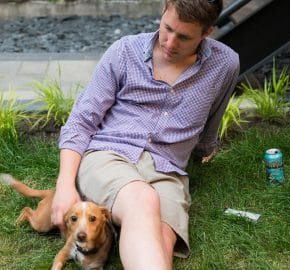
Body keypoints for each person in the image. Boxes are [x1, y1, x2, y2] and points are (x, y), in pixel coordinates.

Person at [51, 0, 239, 268]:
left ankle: (123, 231)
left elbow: (214, 115)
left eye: (184, 37)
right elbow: (81, 121)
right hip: (109, 155)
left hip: (167, 169)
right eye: (167, 29)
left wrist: (206, 150)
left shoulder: (225, 65)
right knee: (142, 199)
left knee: (161, 238)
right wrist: (65, 185)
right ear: (163, 11)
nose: (170, 42)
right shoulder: (124, 51)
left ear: (206, 33)